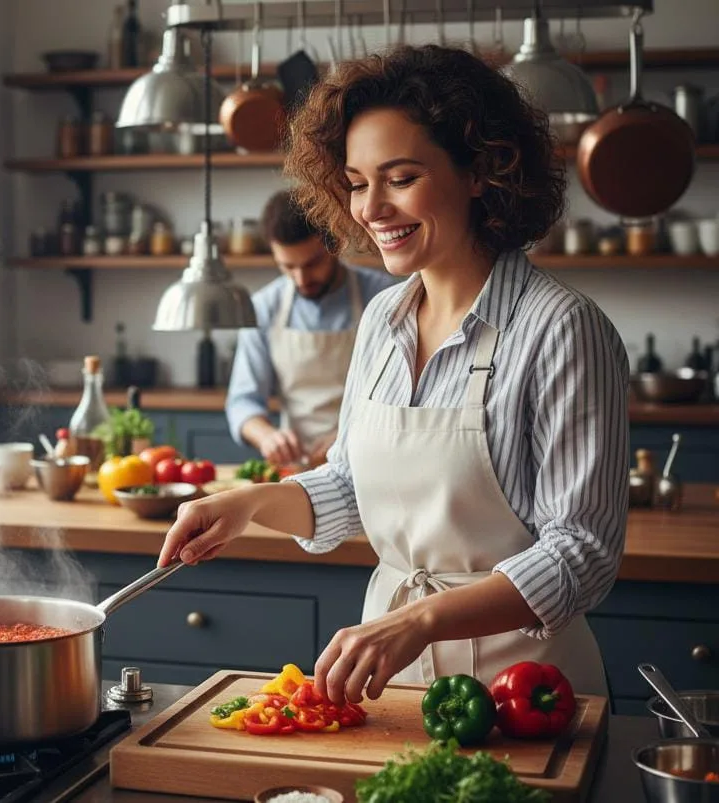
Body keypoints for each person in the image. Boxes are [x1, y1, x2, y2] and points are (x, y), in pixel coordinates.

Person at [160, 45, 629, 706]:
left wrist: (420, 620)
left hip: (527, 692)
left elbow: (583, 551)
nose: (371, 208)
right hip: (396, 683)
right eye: (355, 182)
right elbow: (352, 483)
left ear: (479, 171)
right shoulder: (383, 317)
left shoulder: (560, 328)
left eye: (400, 177)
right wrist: (245, 505)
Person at [226, 190, 396, 467]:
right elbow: (242, 401)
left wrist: (347, 433)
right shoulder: (263, 308)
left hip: (372, 461)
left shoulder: (384, 297)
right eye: (287, 266)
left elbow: (403, 396)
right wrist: (268, 436)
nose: (301, 279)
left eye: (312, 264)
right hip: (299, 468)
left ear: (335, 244)